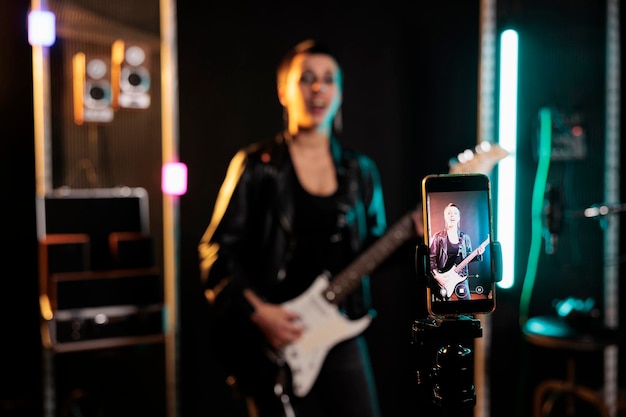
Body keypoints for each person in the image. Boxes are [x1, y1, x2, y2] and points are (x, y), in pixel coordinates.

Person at [198, 39, 387, 417]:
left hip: (339, 330)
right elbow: (215, 254)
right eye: (306, 79)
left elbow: (378, 248)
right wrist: (260, 313)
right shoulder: (256, 166)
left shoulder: (359, 171)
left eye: (328, 80)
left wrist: (423, 229)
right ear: (284, 91)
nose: (318, 89)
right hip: (272, 338)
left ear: (340, 93)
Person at [428, 203, 483, 301]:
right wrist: (438, 277)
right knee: (444, 311)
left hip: (460, 276)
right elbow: (431, 259)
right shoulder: (438, 237)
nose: (452, 215)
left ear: (458, 217)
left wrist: (478, 254)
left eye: (455, 213)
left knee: (467, 308)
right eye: (449, 213)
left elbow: (468, 257)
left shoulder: (465, 237)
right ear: (445, 217)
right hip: (443, 278)